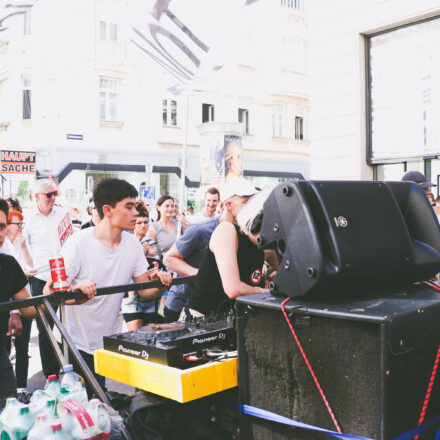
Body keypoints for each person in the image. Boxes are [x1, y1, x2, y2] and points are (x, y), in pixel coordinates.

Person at [43, 178, 171, 393]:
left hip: (106, 340)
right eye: (128, 207)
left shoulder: (132, 244)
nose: (135, 213)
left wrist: (161, 283)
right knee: (76, 410)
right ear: (108, 210)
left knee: (97, 405)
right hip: (73, 342)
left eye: (136, 207)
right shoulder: (80, 242)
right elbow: (49, 291)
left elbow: (144, 291)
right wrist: (76, 290)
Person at [187, 188, 272, 317]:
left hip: (234, 319)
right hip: (202, 319)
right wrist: (268, 292)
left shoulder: (264, 246)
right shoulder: (227, 230)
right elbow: (233, 289)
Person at [24, 178, 73, 378]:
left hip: (63, 273)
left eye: (55, 194)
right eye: (49, 194)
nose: (54, 198)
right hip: (40, 276)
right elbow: (24, 246)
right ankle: (50, 373)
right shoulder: (28, 217)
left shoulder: (62, 214)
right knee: (44, 326)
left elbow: (70, 242)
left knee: (68, 322)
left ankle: (70, 365)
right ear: (37, 197)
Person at [0, 199, 39, 406]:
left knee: (9, 415)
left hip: (1, 358)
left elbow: (30, 309)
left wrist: (54, 292)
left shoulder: (8, 265)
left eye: (2, 226)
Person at [122, 205, 164, 331]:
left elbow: (161, 265)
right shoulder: (127, 242)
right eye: (139, 222)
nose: (142, 225)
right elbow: (124, 269)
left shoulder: (153, 244)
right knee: (135, 336)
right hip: (132, 299)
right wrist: (141, 254)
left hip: (152, 298)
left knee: (151, 335)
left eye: (145, 222)